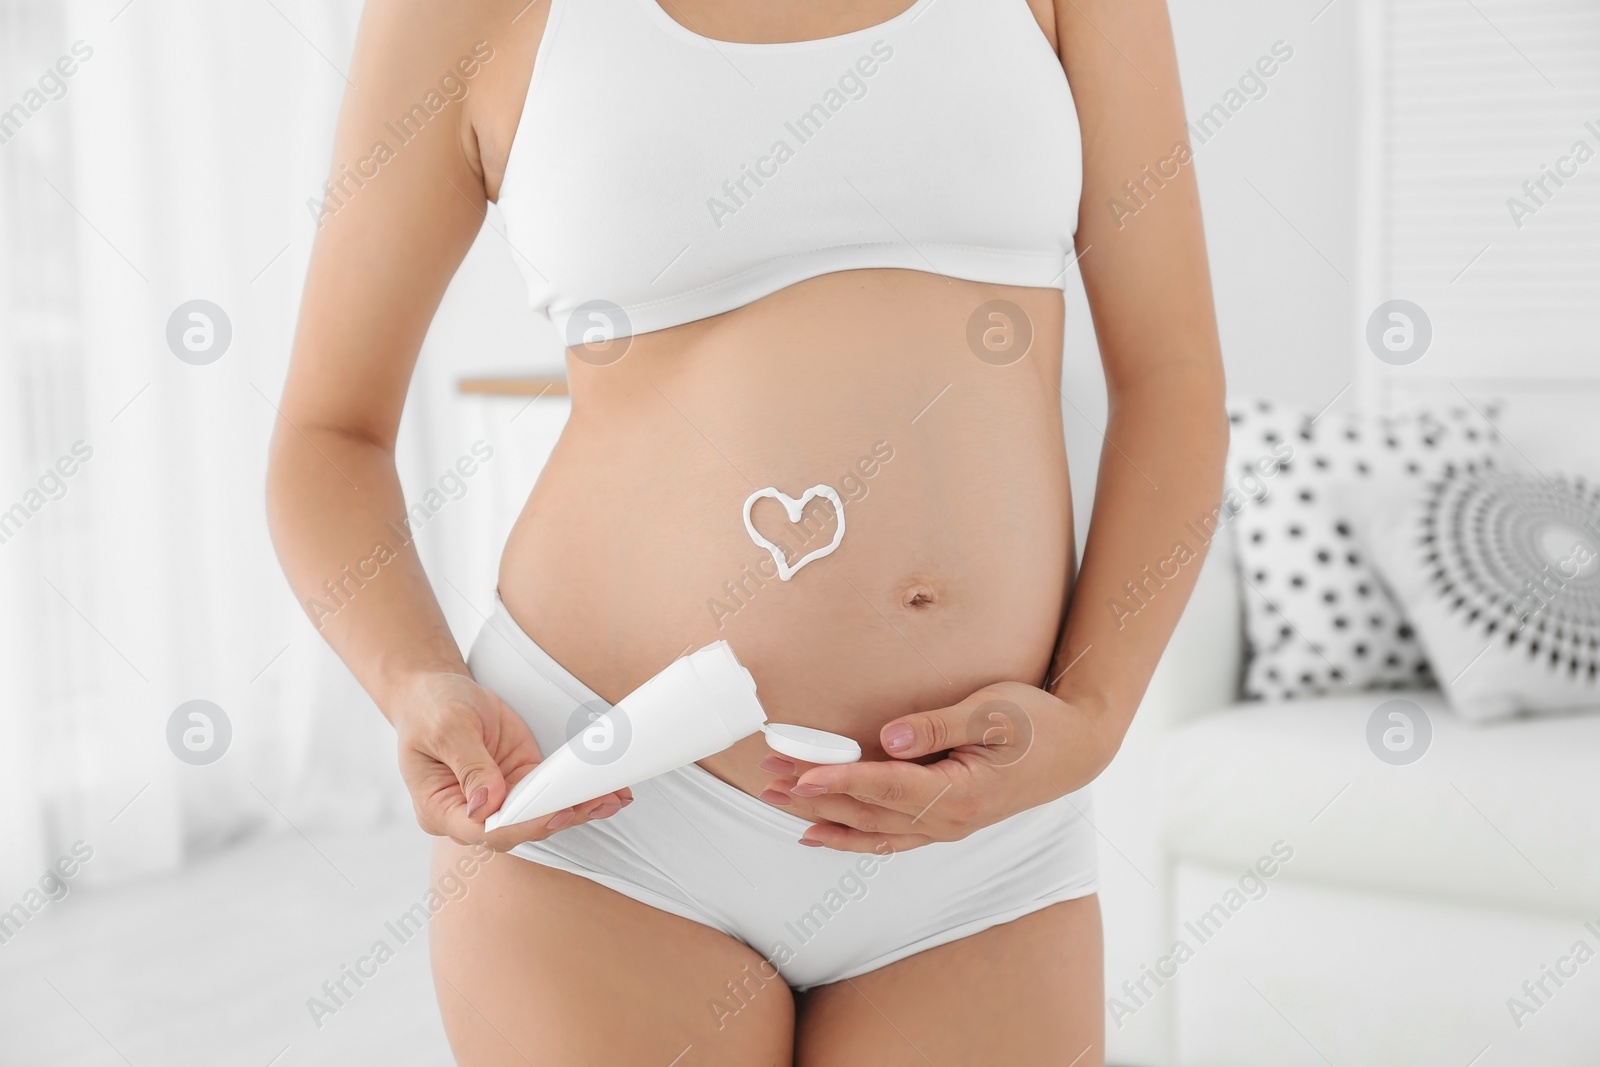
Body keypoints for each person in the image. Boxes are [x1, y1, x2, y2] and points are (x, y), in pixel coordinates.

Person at [266, 0, 1227, 1062]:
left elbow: (1173, 385)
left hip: (979, 840)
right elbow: (328, 435)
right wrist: (414, 680)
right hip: (608, 809)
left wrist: (1090, 717)